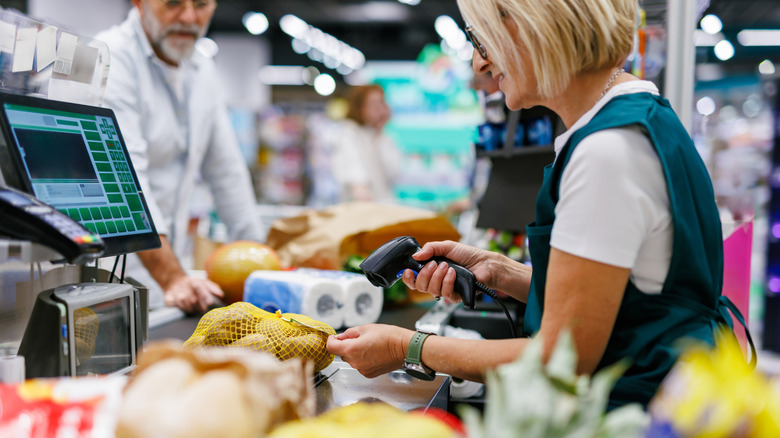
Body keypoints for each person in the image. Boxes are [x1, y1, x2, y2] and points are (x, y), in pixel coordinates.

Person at [327, 0, 751, 409]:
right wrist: (503, 273)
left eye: (480, 39)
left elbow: (560, 359)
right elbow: (627, 303)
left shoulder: (605, 153)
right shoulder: (639, 118)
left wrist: (409, 347)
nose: (480, 64)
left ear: (530, 26)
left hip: (636, 409)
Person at [96, 0, 264, 314]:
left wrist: (263, 269)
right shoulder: (110, 58)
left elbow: (228, 175)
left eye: (201, 4)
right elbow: (124, 179)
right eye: (173, 3)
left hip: (171, 282)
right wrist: (171, 276)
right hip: (110, 280)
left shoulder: (202, 69)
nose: (188, 17)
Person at [331, 84, 402, 203]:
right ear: (360, 107)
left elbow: (393, 173)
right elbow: (355, 175)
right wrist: (361, 190)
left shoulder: (380, 136)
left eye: (381, 102)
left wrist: (380, 133)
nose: (380, 109)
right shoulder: (349, 133)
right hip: (363, 209)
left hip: (381, 206)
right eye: (374, 104)